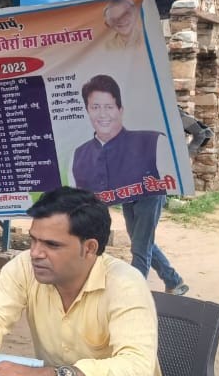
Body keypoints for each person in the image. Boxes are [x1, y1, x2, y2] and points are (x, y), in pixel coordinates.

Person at [0, 187, 162, 376]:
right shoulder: (24, 266)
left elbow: (136, 367)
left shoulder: (125, 283)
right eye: (33, 239)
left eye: (52, 245)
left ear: (89, 248)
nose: (35, 253)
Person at [71, 74, 188, 296]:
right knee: (141, 241)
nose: (102, 114)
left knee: (140, 247)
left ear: (120, 109)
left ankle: (132, 297)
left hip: (149, 196)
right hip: (125, 200)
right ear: (87, 110)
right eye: (95, 107)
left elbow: (178, 158)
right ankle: (174, 281)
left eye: (109, 107)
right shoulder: (81, 154)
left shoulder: (151, 141)